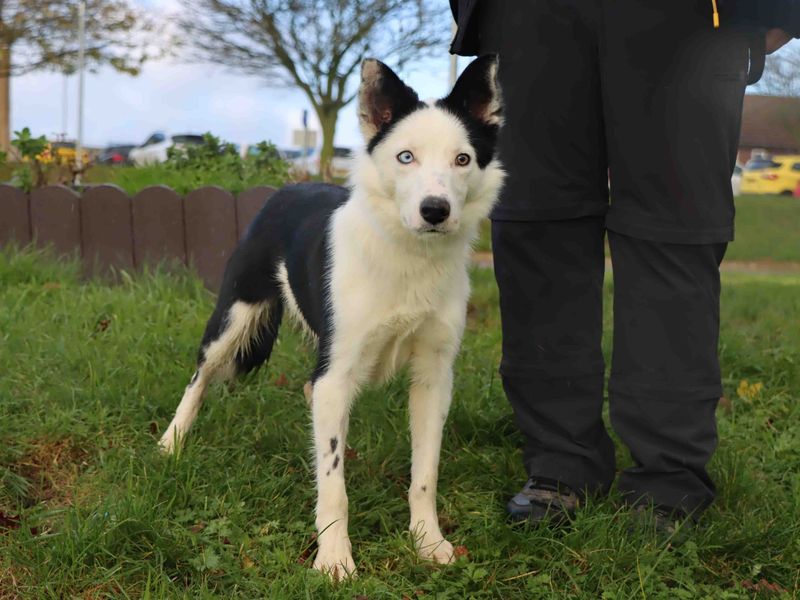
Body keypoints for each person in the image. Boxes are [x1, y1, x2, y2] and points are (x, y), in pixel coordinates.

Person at [449, 0, 799, 527]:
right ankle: (560, 460)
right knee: (539, 227)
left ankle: (669, 475)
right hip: (529, 14)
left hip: (690, 14)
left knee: (674, 234)